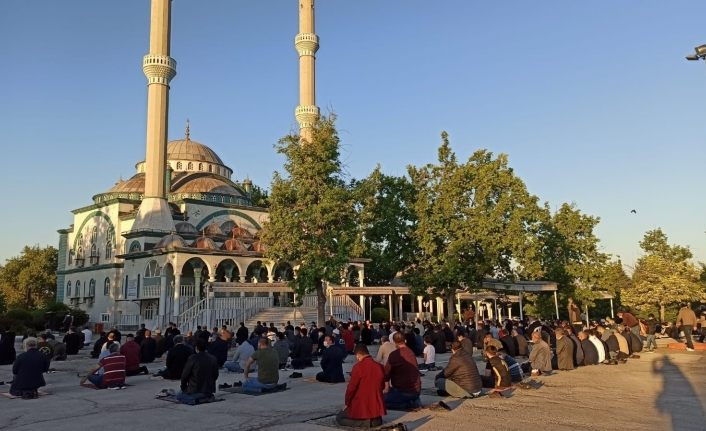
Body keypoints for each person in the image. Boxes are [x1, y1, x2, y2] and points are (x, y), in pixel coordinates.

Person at [336, 344, 386, 428]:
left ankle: (365, 423)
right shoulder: (379, 367)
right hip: (376, 405)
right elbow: (382, 386)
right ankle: (374, 421)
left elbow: (351, 389)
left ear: (358, 355)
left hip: (361, 404)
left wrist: (347, 403)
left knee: (340, 417)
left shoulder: (358, 367)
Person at [383, 332, 421, 410]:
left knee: (381, 401)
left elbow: (386, 373)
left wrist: (386, 387)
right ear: (405, 341)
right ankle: (413, 401)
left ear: (394, 342)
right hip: (416, 391)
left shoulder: (394, 355)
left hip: (402, 391)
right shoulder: (411, 352)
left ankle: (407, 404)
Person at [178, 338, 219, 404]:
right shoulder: (213, 358)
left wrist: (183, 388)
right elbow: (215, 375)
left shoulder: (193, 358)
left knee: (179, 396)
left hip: (195, 390)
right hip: (209, 390)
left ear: (196, 348)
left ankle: (197, 400)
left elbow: (184, 375)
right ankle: (206, 397)